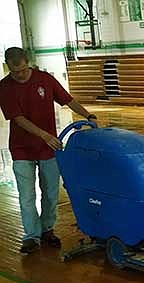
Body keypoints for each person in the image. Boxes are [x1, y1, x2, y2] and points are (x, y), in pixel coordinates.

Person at [0, 47, 97, 254]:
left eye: (24, 70)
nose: (20, 75)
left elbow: (67, 100)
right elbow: (18, 119)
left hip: (48, 149)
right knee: (26, 195)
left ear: (29, 63)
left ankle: (47, 230)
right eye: (15, 72)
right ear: (9, 67)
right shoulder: (4, 87)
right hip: (22, 150)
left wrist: (89, 115)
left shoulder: (44, 79)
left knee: (51, 193)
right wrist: (45, 136)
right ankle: (31, 236)